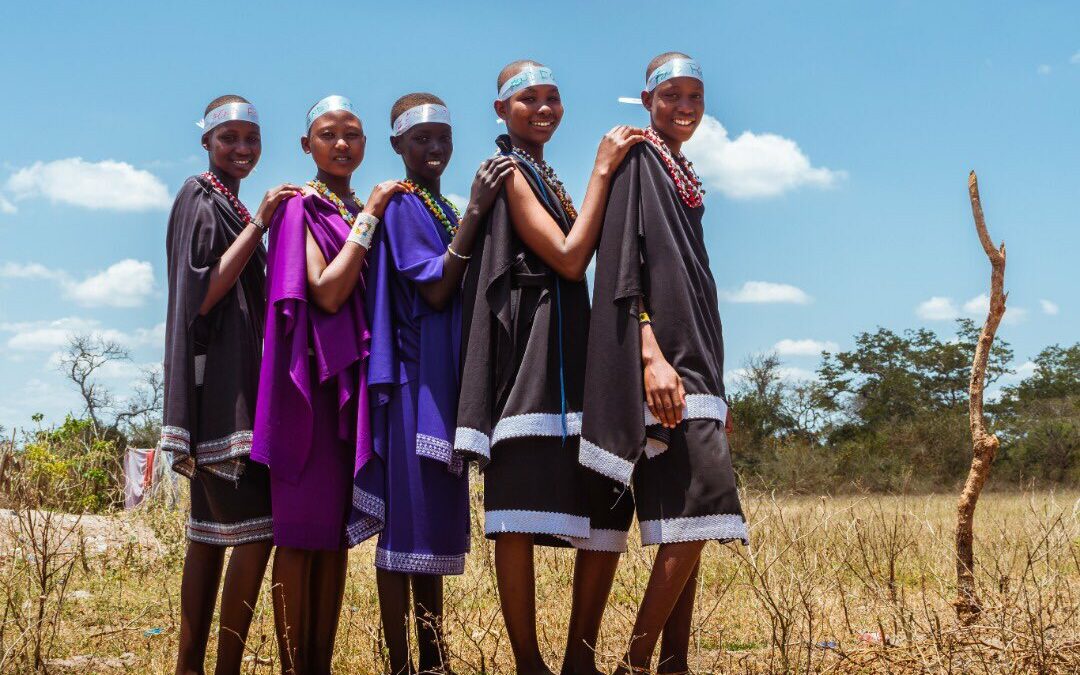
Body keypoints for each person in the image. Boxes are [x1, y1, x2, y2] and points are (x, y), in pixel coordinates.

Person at [453, 61, 643, 675]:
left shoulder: (541, 173)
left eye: (553, 97)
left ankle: (579, 657)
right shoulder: (510, 173)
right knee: (516, 506)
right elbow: (566, 257)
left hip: (573, 347)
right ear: (501, 109)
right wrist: (603, 170)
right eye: (528, 98)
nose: (543, 108)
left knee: (609, 502)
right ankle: (529, 662)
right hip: (530, 356)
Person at [578, 53, 749, 674]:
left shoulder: (679, 168)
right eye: (672, 95)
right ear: (647, 99)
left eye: (695, 96)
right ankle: (634, 663)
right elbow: (619, 263)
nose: (685, 107)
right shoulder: (640, 161)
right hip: (666, 355)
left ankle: (673, 663)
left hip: (700, 353)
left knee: (689, 511)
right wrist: (649, 355)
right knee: (704, 505)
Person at [349, 92, 514, 675]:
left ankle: (435, 660)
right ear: (397, 145)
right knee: (404, 532)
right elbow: (437, 289)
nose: (435, 147)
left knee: (428, 534)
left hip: (445, 384)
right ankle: (402, 664)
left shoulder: (437, 206)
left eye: (443, 136)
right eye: (421, 139)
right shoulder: (402, 206)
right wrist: (476, 210)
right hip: (416, 386)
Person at [251, 95, 406, 674]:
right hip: (308, 390)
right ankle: (294, 666)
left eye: (352, 135)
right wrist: (371, 214)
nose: (342, 144)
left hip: (350, 386)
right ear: (306, 145)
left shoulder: (347, 208)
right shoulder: (300, 209)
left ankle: (319, 663)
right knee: (298, 536)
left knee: (334, 540)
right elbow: (327, 292)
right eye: (328, 135)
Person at [161, 95, 301, 675]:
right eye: (230, 139)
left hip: (235, 387)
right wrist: (264, 222)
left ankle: (190, 666)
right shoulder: (200, 196)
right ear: (207, 143)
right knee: (255, 533)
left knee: (210, 535)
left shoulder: (230, 205)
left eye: (251, 138)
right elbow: (203, 293)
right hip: (219, 392)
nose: (242, 149)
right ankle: (222, 667)